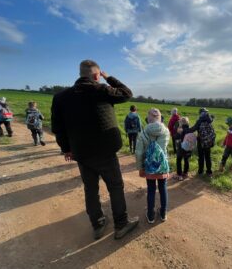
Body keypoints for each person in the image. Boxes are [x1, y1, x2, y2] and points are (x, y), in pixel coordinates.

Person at [51, 59, 139, 240]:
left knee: (90, 189)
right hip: (105, 151)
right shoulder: (101, 90)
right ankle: (121, 224)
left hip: (81, 153)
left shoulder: (61, 97)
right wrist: (109, 78)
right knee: (115, 186)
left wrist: (66, 148)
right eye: (99, 75)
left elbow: (57, 127)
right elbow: (127, 93)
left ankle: (98, 224)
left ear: (80, 74)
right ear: (97, 75)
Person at [135, 108, 170, 224]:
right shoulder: (166, 131)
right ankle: (163, 213)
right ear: (160, 119)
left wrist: (140, 168)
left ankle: (150, 215)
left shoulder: (143, 133)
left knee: (151, 190)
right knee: (163, 188)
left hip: (149, 167)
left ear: (148, 119)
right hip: (162, 166)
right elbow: (165, 150)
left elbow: (139, 152)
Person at [189, 108, 216, 177]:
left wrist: (185, 129)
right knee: (208, 156)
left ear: (200, 113)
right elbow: (212, 119)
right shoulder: (209, 120)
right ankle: (209, 172)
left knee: (201, 157)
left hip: (200, 141)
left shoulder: (199, 121)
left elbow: (193, 129)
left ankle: (200, 172)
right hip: (208, 142)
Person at [174, 117, 195, 181]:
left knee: (179, 160)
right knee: (186, 160)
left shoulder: (180, 129)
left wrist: (177, 133)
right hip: (189, 147)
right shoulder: (190, 129)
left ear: (181, 123)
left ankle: (179, 175)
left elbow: (176, 138)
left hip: (181, 148)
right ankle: (185, 173)